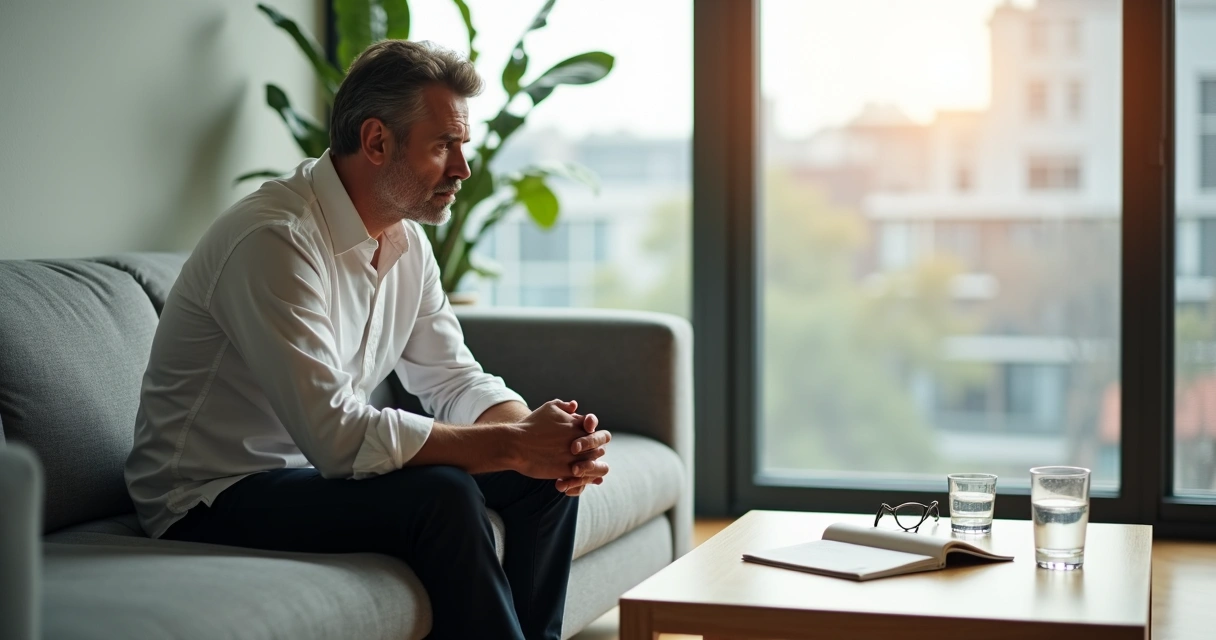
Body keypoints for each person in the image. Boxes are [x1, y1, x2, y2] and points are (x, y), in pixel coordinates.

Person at [124, 40, 611, 640]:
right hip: (209, 496)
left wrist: (541, 438)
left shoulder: (407, 242)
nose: (462, 168)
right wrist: (511, 444)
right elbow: (335, 435)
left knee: (543, 478)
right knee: (442, 495)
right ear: (377, 141)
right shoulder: (275, 240)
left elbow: (453, 378)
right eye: (443, 146)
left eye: (462, 146)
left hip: (311, 476)